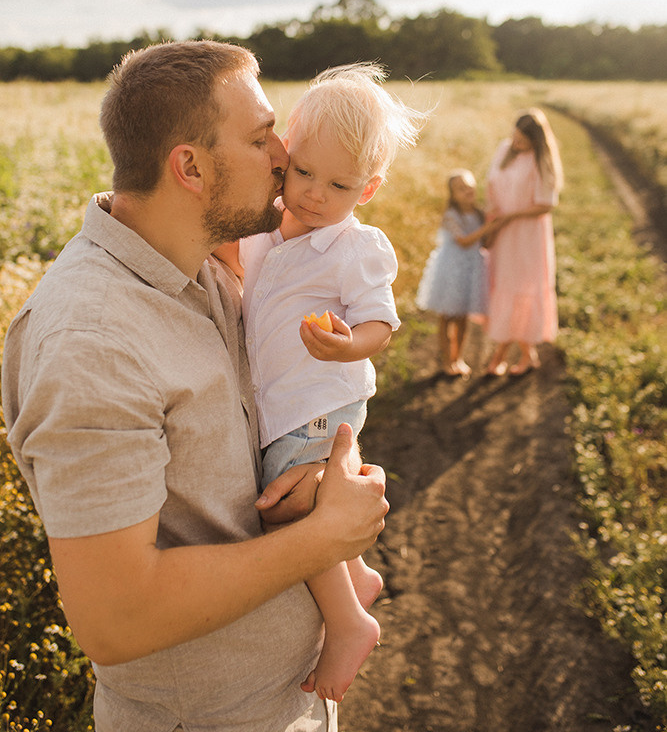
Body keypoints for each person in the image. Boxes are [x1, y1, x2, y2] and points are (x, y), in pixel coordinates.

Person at [1, 40, 389, 732]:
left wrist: (324, 469)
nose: (283, 156)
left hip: (289, 699)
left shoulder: (207, 262)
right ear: (189, 166)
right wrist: (324, 536)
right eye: (262, 136)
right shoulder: (92, 343)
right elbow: (116, 619)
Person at [223, 62, 427, 705]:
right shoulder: (265, 226)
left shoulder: (354, 247)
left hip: (320, 396)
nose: (313, 194)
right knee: (293, 500)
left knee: (287, 507)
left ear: (366, 191)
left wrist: (348, 345)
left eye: (337, 184)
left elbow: (380, 325)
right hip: (282, 402)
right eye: (303, 173)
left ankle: (347, 621)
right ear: (285, 156)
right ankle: (356, 575)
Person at [483, 108, 564, 377]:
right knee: (503, 285)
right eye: (515, 136)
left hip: (527, 236)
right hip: (502, 232)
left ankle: (500, 355)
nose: (516, 143)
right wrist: (493, 218)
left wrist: (510, 217)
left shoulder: (543, 161)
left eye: (522, 140)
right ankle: (528, 354)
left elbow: (545, 205)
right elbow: (492, 185)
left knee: (520, 289)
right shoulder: (505, 149)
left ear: (535, 140)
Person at [416, 168, 498, 377]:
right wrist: (487, 228)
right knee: (447, 316)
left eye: (469, 185)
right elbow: (463, 241)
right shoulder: (451, 215)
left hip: (472, 269)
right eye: (460, 188)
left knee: (463, 317)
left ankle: (458, 357)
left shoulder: (480, 214)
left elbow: (485, 243)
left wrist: (493, 227)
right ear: (452, 195)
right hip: (452, 269)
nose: (467, 190)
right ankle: (446, 360)